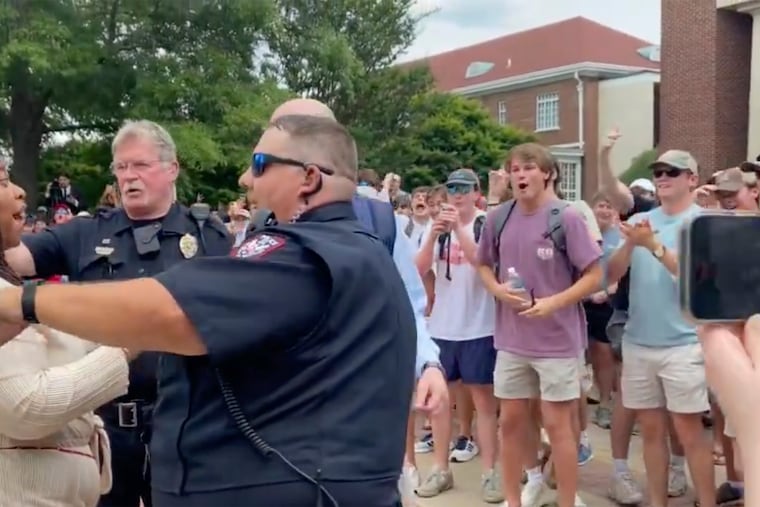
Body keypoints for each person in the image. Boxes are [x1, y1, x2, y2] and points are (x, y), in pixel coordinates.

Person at [0, 114, 416, 507]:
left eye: (259, 163)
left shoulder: (301, 255)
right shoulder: (351, 247)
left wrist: (19, 303)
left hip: (295, 484)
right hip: (125, 429)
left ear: (308, 177)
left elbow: (169, 313)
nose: (244, 178)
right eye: (120, 166)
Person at [4, 120, 232, 507]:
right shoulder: (85, 233)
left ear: (171, 168)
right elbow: (13, 258)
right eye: (121, 168)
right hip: (106, 425)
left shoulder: (208, 236)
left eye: (140, 165)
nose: (129, 177)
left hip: (187, 423)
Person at [0, 163, 133, 506]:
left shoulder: (12, 287)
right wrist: (132, 340)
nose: (19, 191)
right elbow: (25, 407)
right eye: (3, 183)